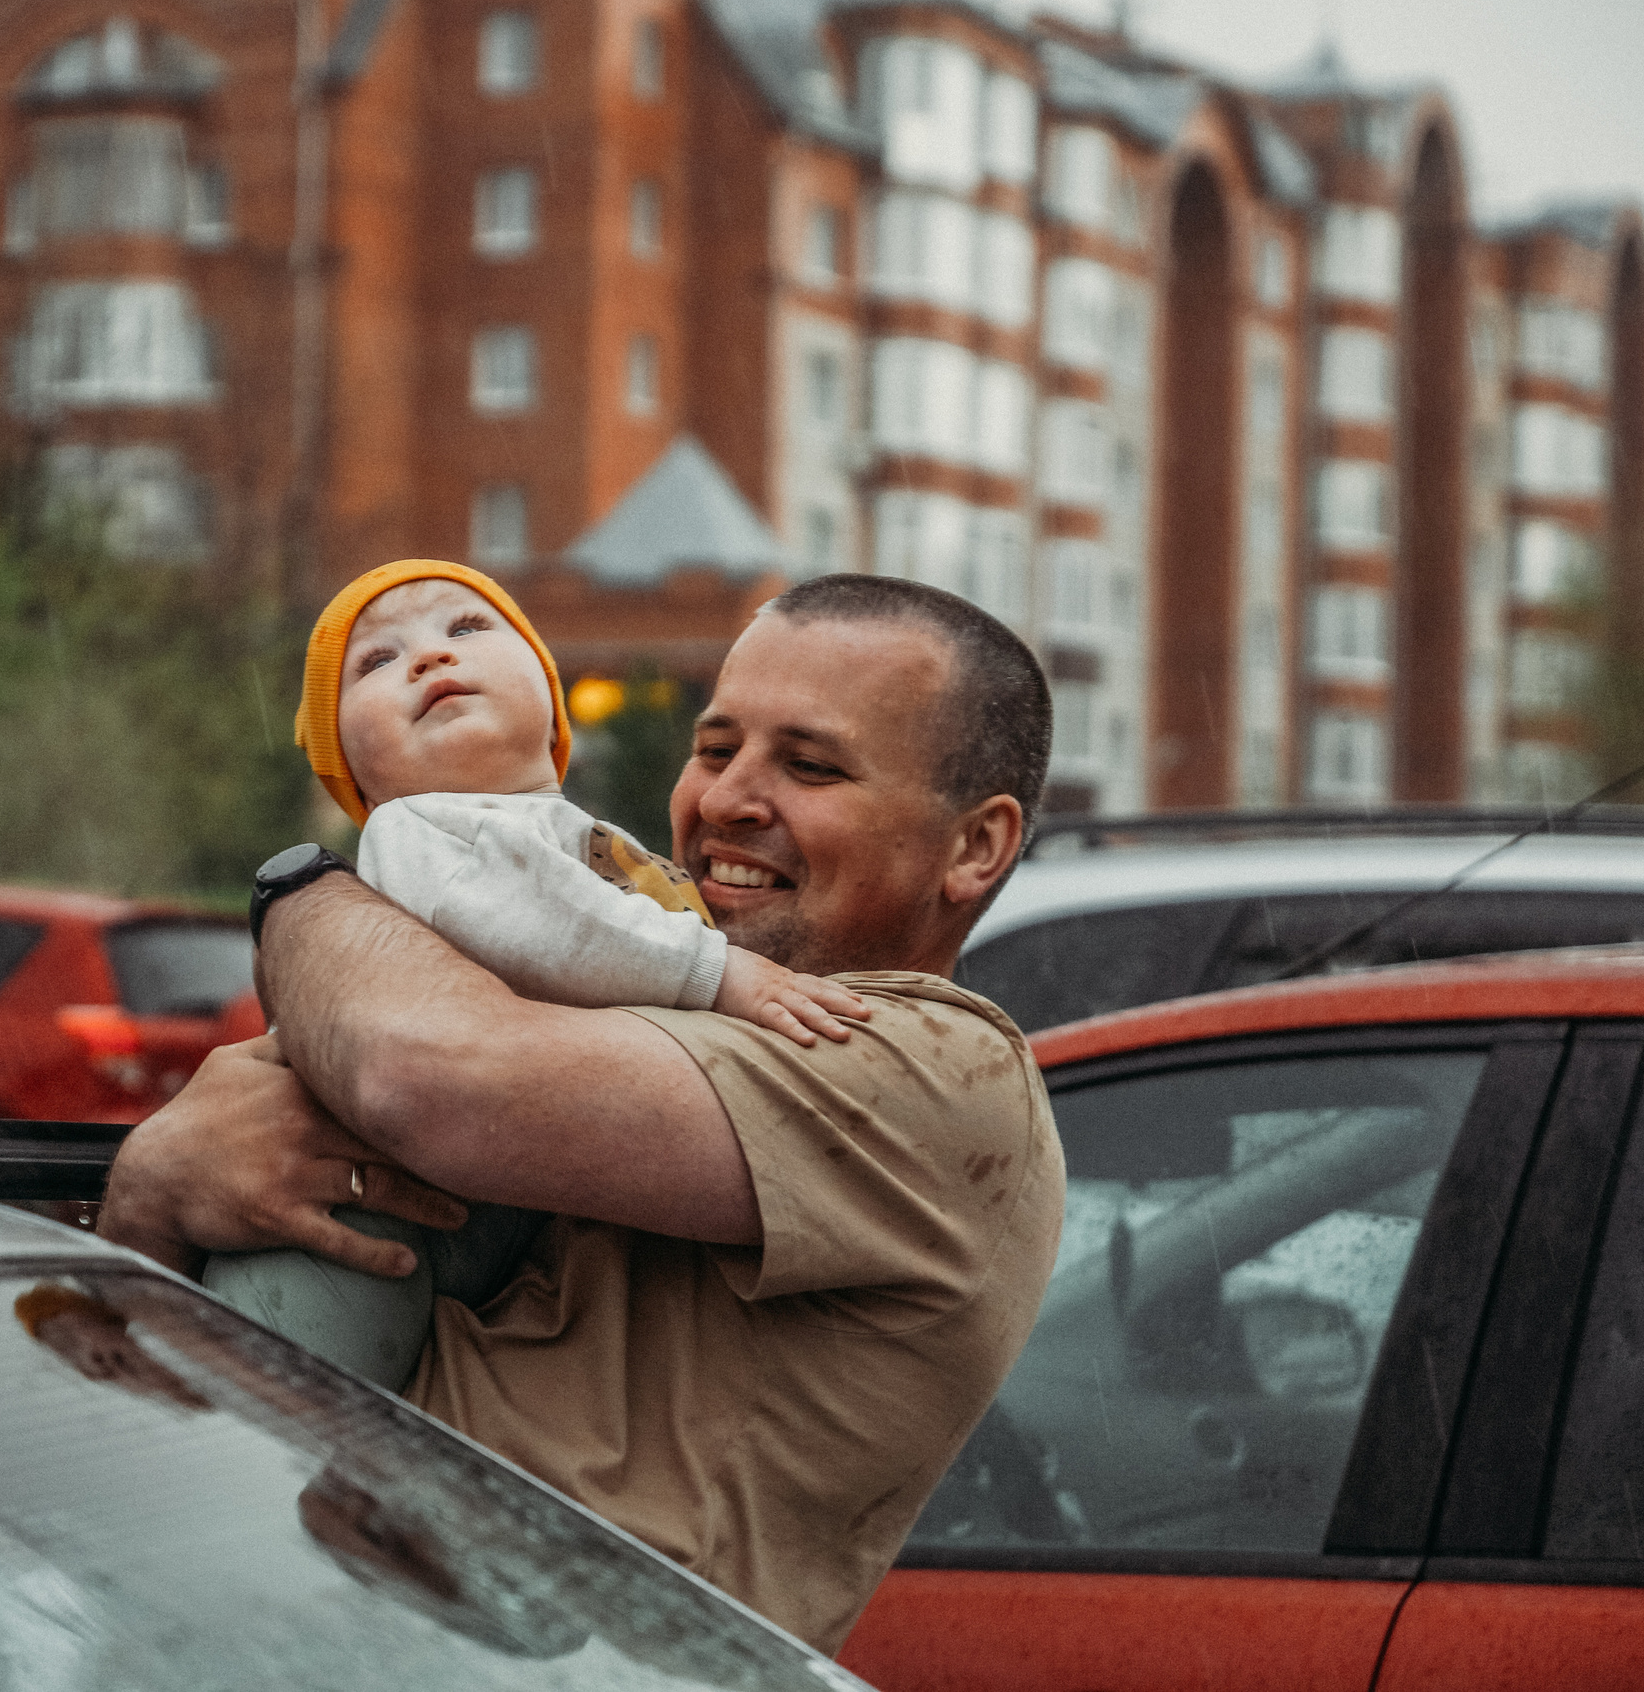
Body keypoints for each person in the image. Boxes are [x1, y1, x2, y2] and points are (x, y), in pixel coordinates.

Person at [100, 572, 1066, 1653]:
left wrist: (302, 891)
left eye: (810, 766)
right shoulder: (629, 971)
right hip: (280, 1626)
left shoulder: (940, 1072)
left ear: (974, 847)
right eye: (713, 750)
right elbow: (168, 1378)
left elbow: (423, 1075)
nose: (725, 802)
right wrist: (155, 1185)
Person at [202, 559, 870, 1389]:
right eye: (376, 661)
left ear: (552, 701)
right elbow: (552, 929)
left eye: (467, 628)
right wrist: (719, 974)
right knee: (305, 1402)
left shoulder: (572, 833)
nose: (429, 658)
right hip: (350, 1216)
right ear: (354, 773)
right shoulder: (417, 828)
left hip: (467, 1191)